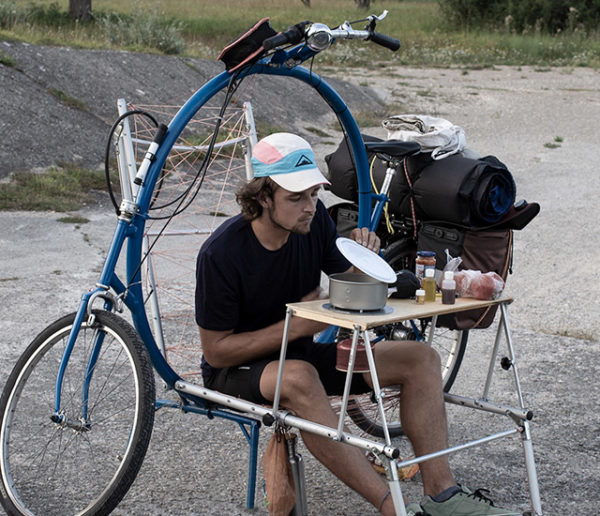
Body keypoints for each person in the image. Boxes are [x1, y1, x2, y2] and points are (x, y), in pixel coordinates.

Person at [195, 132, 518, 516]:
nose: (310, 207)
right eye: (296, 197)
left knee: (421, 358)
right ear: (262, 198)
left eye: (314, 194)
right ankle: (392, 507)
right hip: (239, 371)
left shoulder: (311, 226)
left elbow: (350, 284)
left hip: (301, 354)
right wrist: (295, 327)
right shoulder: (221, 253)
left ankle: (443, 496)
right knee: (298, 375)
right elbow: (216, 352)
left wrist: (367, 259)